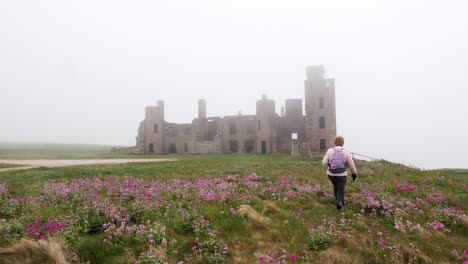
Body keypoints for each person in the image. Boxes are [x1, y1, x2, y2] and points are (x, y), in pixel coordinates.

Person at [322, 136, 357, 210]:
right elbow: (351, 164)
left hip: (331, 174)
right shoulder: (346, 151)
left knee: (335, 186)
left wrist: (328, 167)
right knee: (341, 189)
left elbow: (324, 162)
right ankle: (339, 203)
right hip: (342, 174)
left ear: (335, 142)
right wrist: (354, 173)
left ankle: (337, 201)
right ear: (343, 143)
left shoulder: (329, 150)